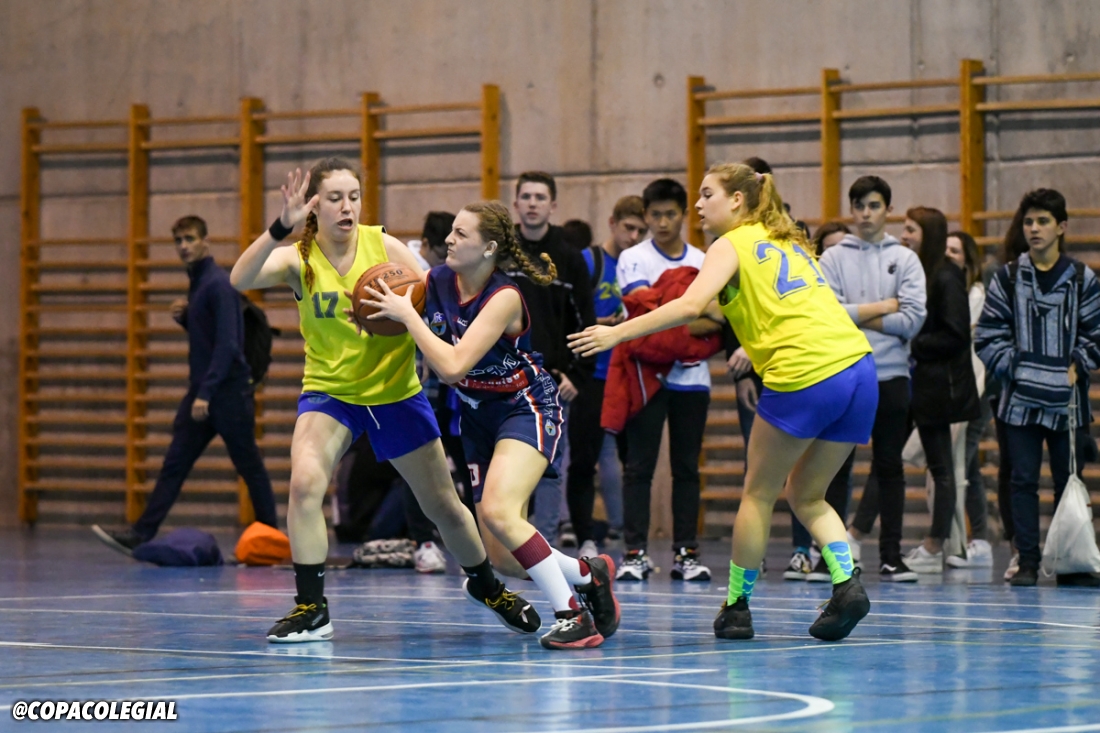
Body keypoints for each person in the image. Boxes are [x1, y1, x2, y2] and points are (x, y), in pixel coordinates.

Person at [230, 158, 539, 642]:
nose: (347, 207)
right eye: (335, 198)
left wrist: (407, 320)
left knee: (444, 507)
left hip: (395, 393)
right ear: (313, 206)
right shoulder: (298, 258)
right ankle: (311, 607)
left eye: (354, 197)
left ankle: (488, 588)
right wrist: (277, 229)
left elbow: (436, 301)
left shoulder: (385, 248)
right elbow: (240, 278)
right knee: (305, 484)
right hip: (330, 393)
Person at [571, 163, 875, 641]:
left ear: (737, 200)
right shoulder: (788, 241)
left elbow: (690, 307)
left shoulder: (730, 243)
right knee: (807, 494)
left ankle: (736, 608)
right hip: (859, 369)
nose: (697, 204)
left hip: (807, 371)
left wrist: (617, 333)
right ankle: (846, 584)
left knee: (757, 494)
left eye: (707, 193)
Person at [364, 200, 621, 649]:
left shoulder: (504, 297)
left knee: (501, 511)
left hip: (526, 407)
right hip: (478, 418)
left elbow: (453, 367)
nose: (449, 239)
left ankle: (572, 615)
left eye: (461, 234)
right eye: (452, 231)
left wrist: (407, 316)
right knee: (503, 559)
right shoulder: (435, 281)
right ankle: (588, 574)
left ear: (489, 249)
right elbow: (391, 257)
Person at [92, 216, 277, 555]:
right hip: (204, 392)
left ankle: (272, 537)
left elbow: (229, 346)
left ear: (206, 241)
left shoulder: (218, 284)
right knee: (175, 464)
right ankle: (141, 533)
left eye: (190, 239)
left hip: (226, 394)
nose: (184, 246)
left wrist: (206, 392)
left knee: (250, 466)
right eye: (178, 241)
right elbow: (209, 338)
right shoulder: (200, 284)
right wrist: (188, 320)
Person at [975, 188, 1100, 587]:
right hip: (1019, 403)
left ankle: (1071, 564)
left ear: (1061, 227)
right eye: (1029, 221)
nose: (1034, 228)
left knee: (1069, 482)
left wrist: (1078, 362)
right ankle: (1027, 561)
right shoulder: (1008, 277)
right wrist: (1018, 367)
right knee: (1022, 482)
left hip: (1068, 403)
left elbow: (1097, 333)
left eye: (1043, 221)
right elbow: (987, 336)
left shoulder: (1082, 278)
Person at [613, 178, 723, 582]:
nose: (662, 222)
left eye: (670, 214)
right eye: (655, 214)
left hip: (692, 381)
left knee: (687, 468)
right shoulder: (633, 259)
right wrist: (691, 314)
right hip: (645, 377)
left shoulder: (704, 259)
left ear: (684, 216)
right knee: (638, 467)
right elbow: (646, 321)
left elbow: (719, 318)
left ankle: (686, 553)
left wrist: (674, 317)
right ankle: (635, 553)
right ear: (645, 216)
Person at [820, 176, 927, 582]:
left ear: (888, 210)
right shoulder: (833, 258)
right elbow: (828, 315)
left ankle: (891, 556)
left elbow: (912, 320)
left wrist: (856, 314)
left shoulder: (906, 259)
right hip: (844, 373)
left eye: (874, 205)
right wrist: (884, 307)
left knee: (889, 467)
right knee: (835, 468)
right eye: (859, 206)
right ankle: (832, 558)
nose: (866, 213)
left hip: (891, 375)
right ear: (851, 210)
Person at [510, 172, 597, 545]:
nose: (532, 203)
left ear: (553, 205)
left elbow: (585, 322)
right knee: (507, 467)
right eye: (526, 196)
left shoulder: (569, 257)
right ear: (516, 203)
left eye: (540, 197)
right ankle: (510, 545)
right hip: (505, 379)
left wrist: (577, 374)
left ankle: (542, 548)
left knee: (550, 466)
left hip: (553, 381)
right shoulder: (501, 252)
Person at [900, 207, 980, 573]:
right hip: (916, 383)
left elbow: (956, 333)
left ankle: (935, 546)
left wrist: (913, 343)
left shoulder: (946, 277)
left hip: (939, 388)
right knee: (892, 461)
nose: (904, 235)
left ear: (927, 234)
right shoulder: (919, 271)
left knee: (942, 468)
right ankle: (863, 535)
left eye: (911, 229)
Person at [567, 196, 646, 559]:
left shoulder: (642, 264)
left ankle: (634, 543)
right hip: (594, 375)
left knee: (635, 464)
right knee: (584, 459)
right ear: (612, 223)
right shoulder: (590, 261)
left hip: (632, 374)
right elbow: (568, 317)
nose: (634, 237)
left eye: (641, 231)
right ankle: (584, 535)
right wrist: (603, 325)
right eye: (629, 228)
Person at [782, 221, 857, 582]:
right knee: (797, 485)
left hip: (832, 378)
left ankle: (835, 564)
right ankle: (814, 556)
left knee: (811, 485)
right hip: (818, 378)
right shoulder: (802, 280)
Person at [945, 230, 994, 568]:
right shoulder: (946, 291)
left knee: (964, 459)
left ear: (968, 259)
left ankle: (970, 539)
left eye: (955, 250)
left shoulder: (976, 294)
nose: (949, 255)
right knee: (968, 462)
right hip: (954, 389)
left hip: (979, 388)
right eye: (945, 249)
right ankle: (976, 537)